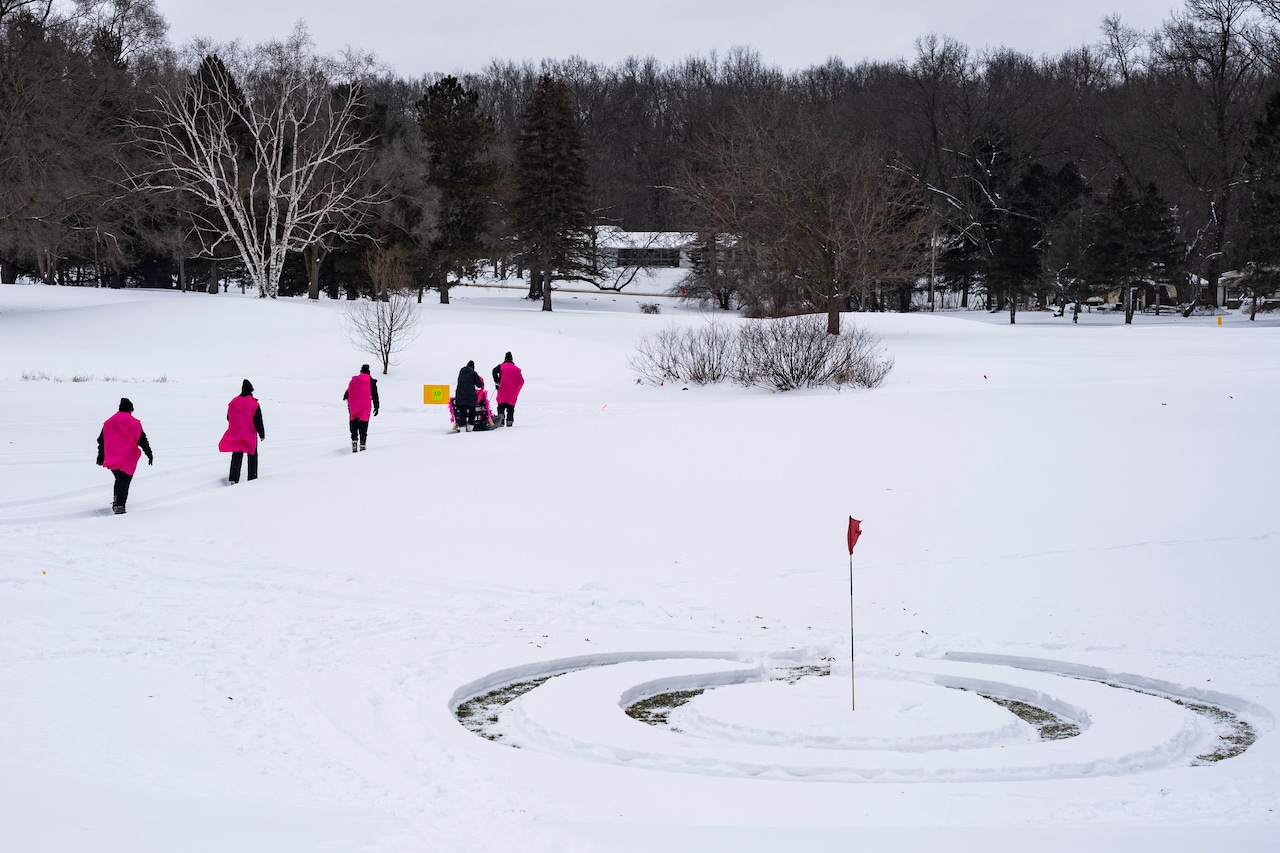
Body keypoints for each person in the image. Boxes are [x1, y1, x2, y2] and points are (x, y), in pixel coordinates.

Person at [96, 397, 153, 514]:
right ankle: (119, 506)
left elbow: (101, 439)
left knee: (119, 479)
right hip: (127, 458)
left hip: (112, 457)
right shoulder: (134, 423)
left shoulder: (109, 422)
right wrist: (149, 453)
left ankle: (117, 501)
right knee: (124, 480)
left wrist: (101, 456)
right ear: (130, 410)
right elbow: (142, 439)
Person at [218, 379, 265, 483]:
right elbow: (258, 420)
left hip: (236, 432)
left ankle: (233, 478)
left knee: (237, 455)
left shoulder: (233, 402)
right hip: (249, 433)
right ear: (250, 390)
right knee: (252, 455)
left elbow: (228, 417)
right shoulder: (253, 403)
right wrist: (261, 433)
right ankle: (252, 478)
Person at [343, 364, 379, 452]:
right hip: (364, 408)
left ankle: (354, 441)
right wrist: (376, 406)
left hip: (354, 407)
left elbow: (347, 393)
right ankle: (362, 444)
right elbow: (375, 395)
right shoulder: (370, 381)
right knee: (363, 426)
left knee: (354, 424)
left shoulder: (355, 380)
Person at [492, 351, 525, 428]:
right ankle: (509, 423)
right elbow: (521, 381)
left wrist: (497, 381)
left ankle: (501, 423)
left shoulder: (501, 366)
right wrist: (515, 388)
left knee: (501, 407)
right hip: (511, 393)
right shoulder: (516, 369)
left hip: (502, 390)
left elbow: (494, 371)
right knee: (510, 409)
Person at [454, 360, 484, 431]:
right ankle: (470, 428)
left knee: (462, 414)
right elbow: (479, 385)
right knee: (471, 412)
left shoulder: (461, 372)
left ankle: (462, 429)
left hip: (460, 395)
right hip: (470, 397)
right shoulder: (473, 373)